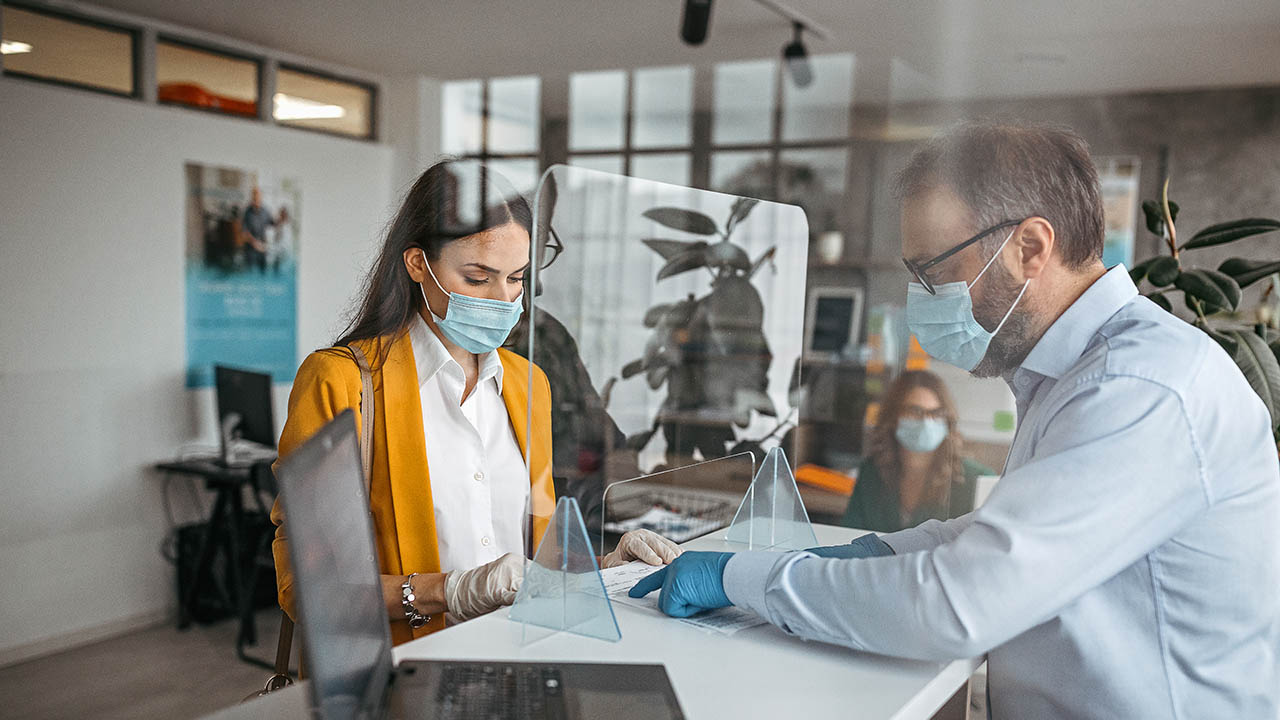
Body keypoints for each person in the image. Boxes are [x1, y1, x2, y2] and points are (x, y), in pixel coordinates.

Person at [630, 122, 1280, 718]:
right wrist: (873, 550)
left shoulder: (1138, 387)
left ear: (1030, 246)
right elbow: (1001, 538)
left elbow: (960, 602)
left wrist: (744, 578)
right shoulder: (1077, 373)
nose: (920, 296)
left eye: (934, 269)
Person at [272, 160, 680, 646]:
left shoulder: (529, 384)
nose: (504, 298)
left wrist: (607, 567)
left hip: (517, 655)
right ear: (419, 263)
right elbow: (308, 589)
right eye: (478, 277)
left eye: (517, 278)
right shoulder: (340, 382)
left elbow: (535, 561)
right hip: (404, 676)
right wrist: (450, 591)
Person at [841, 370, 992, 533]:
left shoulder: (976, 479)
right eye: (914, 411)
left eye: (936, 413)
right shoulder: (871, 473)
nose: (926, 422)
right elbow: (849, 535)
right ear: (893, 417)